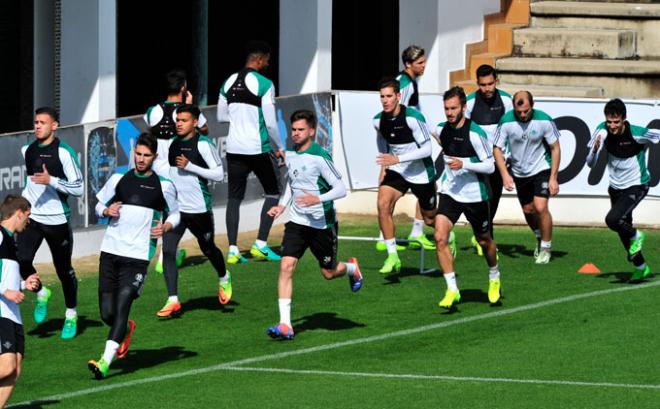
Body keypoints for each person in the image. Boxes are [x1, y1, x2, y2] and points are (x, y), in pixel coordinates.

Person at [88, 133, 180, 379]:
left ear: (154, 157)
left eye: (146, 155)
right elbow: (96, 204)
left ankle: (104, 362)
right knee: (107, 313)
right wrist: (107, 209)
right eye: (138, 154)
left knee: (123, 304)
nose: (140, 159)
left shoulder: (164, 185)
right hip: (110, 251)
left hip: (138, 256)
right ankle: (125, 329)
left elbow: (176, 214)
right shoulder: (119, 178)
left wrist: (167, 227)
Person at [266, 110, 362, 340]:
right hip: (298, 222)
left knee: (328, 273)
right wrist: (282, 205)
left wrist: (316, 199)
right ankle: (285, 324)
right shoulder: (290, 153)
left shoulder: (320, 156)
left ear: (311, 131)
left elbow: (340, 189)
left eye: (300, 130)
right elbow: (292, 180)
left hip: (322, 224)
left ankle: (351, 269)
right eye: (293, 130)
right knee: (286, 266)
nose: (296, 134)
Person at [156, 105, 230, 318]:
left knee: (207, 248)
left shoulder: (204, 145)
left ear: (195, 122)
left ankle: (224, 277)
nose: (179, 123)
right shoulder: (171, 143)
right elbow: (166, 171)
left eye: (184, 120)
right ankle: (173, 300)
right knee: (168, 251)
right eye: (177, 119)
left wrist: (190, 166)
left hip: (198, 209)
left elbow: (218, 174)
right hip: (175, 209)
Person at [17, 107, 84, 339]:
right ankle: (42, 292)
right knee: (22, 260)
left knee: (63, 270)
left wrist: (52, 181)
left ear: (54, 126)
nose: (37, 126)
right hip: (32, 218)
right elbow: (30, 185)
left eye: (43, 122)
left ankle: (71, 315)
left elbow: (79, 188)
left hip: (57, 221)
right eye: (35, 122)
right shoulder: (28, 149)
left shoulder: (64, 153)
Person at [217, 41, 284, 264]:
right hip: (258, 148)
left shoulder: (227, 82)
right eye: (267, 59)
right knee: (274, 193)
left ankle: (233, 250)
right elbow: (272, 123)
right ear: (259, 59)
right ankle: (261, 244)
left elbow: (221, 116)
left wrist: (239, 119)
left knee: (234, 198)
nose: (268, 62)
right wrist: (281, 147)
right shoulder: (265, 83)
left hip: (234, 148)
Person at [434, 87, 501, 309]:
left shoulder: (476, 133)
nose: (449, 113)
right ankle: (452, 289)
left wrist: (465, 164)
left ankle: (494, 276)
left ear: (464, 107)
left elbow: (490, 166)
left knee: (484, 240)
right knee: (440, 237)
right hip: (450, 192)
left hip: (475, 195)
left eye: (453, 108)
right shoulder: (441, 129)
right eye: (446, 109)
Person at [586, 98, 659, 282]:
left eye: (616, 122)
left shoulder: (636, 133)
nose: (612, 126)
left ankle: (637, 235)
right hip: (616, 188)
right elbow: (590, 163)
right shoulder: (602, 131)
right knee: (622, 230)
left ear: (624, 119)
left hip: (637, 184)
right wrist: (594, 151)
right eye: (609, 121)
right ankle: (641, 268)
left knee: (613, 220)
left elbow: (656, 135)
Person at [144, 69, 210, 273]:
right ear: (183, 87)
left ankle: (158, 254)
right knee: (178, 213)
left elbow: (149, 132)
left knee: (164, 212)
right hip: (177, 170)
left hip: (157, 168)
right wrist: (191, 106)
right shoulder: (185, 113)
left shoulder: (152, 111)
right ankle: (166, 256)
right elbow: (205, 129)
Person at [373, 44, 438, 252]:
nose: (423, 66)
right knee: (384, 200)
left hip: (413, 152)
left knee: (429, 196)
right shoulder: (403, 84)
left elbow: (414, 115)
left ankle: (419, 232)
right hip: (404, 154)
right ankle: (385, 237)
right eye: (420, 63)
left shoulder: (410, 82)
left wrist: (433, 133)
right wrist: (388, 159)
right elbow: (397, 117)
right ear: (407, 64)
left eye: (424, 61)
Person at [493, 91, 561, 264]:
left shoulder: (544, 120)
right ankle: (539, 237)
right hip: (519, 172)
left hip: (541, 168)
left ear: (533, 105)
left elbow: (555, 148)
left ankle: (546, 248)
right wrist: (505, 175)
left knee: (540, 206)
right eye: (519, 111)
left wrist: (553, 178)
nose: (523, 115)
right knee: (528, 210)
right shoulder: (506, 121)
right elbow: (497, 149)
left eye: (526, 111)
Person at [465, 64, 513, 256]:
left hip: (499, 159)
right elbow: (465, 129)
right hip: (479, 161)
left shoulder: (507, 100)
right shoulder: (469, 102)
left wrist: (508, 157)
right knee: (484, 199)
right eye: (483, 85)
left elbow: (510, 128)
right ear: (478, 84)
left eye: (490, 84)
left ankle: (480, 233)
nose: (487, 88)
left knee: (494, 200)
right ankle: (485, 238)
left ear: (496, 82)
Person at [0, 195, 40, 407]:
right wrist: (5, 292)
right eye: (28, 216)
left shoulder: (11, 240)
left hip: (12, 313)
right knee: (6, 367)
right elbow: (3, 286)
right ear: (19, 212)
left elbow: (6, 278)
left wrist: (25, 284)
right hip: (1, 311)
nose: (28, 221)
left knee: (15, 370)